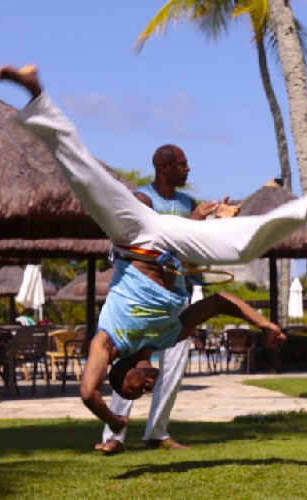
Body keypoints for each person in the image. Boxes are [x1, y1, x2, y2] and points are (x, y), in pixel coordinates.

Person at [0, 64, 307, 432]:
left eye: (136, 390)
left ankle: (36, 94)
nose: (145, 389)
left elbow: (89, 392)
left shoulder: (108, 340)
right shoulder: (169, 335)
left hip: (134, 235)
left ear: (123, 374)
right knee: (243, 249)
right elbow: (218, 303)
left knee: (83, 174)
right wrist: (265, 323)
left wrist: (113, 418)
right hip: (168, 240)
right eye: (144, 394)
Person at [97, 144, 236, 455]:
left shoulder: (188, 203)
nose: (188, 169)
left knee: (173, 366)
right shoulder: (143, 199)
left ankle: (157, 432)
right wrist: (195, 222)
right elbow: (148, 244)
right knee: (131, 364)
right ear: (164, 169)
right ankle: (114, 434)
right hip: (140, 298)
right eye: (183, 165)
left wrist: (221, 219)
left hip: (176, 297)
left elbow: (194, 246)